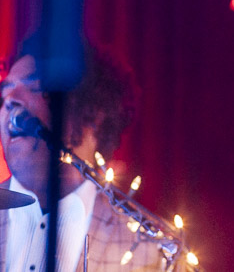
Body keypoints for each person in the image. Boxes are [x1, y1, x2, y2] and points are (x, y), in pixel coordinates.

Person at [0, 47, 165, 271]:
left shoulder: (149, 249)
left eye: (35, 87)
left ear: (94, 112)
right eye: (3, 93)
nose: (10, 100)